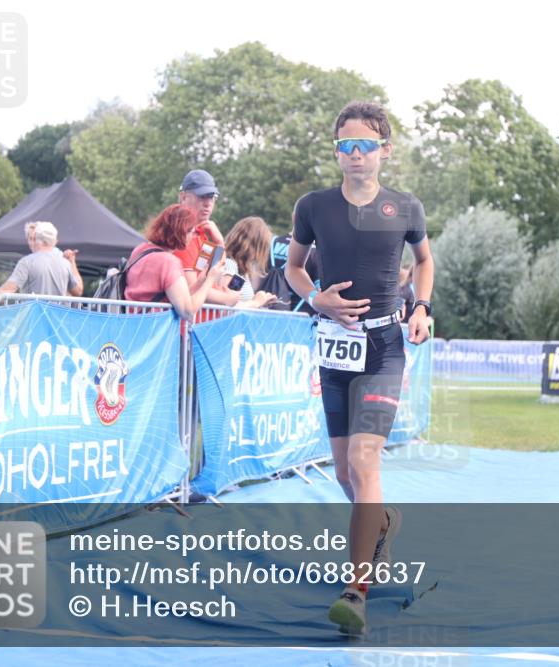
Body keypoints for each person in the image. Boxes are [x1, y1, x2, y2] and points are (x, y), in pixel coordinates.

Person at [285, 101, 434, 635]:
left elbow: (424, 261)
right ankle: (384, 524)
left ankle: (357, 590)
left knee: (366, 463)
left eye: (365, 145)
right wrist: (314, 300)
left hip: (385, 347)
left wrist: (421, 307)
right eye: (345, 146)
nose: (355, 154)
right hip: (334, 351)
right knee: (346, 471)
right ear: (336, 152)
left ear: (384, 151)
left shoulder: (405, 207)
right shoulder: (314, 206)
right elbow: (294, 267)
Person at [123, 204, 225, 320]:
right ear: (181, 232)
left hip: (132, 325)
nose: (194, 236)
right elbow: (188, 312)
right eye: (192, 231)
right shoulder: (169, 262)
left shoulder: (141, 250)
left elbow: (174, 295)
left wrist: (200, 281)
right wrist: (210, 280)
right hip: (155, 330)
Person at [175, 169, 239, 310]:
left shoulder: (204, 232)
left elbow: (216, 273)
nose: (208, 203)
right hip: (190, 326)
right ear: (183, 197)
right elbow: (192, 289)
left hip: (204, 324)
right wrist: (230, 299)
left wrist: (220, 243)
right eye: (202, 196)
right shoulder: (181, 235)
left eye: (212, 197)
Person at [0, 221, 83, 305]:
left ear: (36, 238)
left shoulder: (27, 262)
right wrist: (72, 262)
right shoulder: (65, 263)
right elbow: (78, 291)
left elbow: (6, 291)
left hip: (33, 323)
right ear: (55, 241)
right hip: (57, 323)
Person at [221, 216, 278, 309]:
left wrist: (260, 302)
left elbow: (235, 301)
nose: (259, 255)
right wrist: (256, 302)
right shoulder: (231, 265)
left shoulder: (240, 270)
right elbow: (226, 304)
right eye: (260, 248)